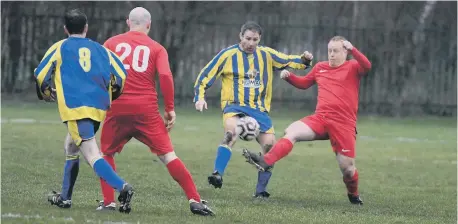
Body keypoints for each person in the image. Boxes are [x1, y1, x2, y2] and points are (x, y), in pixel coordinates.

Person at [96, 7, 214, 216]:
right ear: (149, 25)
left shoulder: (111, 43)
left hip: (118, 107)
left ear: (127, 22)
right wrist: (169, 109)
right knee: (168, 156)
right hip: (146, 110)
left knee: (106, 153)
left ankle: (109, 202)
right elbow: (166, 77)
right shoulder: (157, 48)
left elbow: (99, 72)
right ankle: (194, 200)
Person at [242, 36, 372, 205]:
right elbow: (304, 84)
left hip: (343, 124)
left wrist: (354, 49)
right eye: (329, 51)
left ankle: (353, 194)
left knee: (347, 169)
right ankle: (266, 161)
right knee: (292, 131)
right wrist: (289, 77)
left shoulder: (353, 66)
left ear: (345, 52)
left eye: (336, 51)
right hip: (320, 119)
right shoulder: (320, 68)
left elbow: (367, 66)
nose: (331, 54)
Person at [193, 21, 313, 198]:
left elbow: (289, 60)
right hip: (234, 107)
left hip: (259, 111)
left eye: (255, 39)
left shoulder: (267, 54)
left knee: (270, 147)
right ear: (240, 36)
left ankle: (261, 191)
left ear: (259, 39)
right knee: (231, 133)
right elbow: (205, 75)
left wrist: (305, 60)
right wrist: (199, 97)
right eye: (247, 38)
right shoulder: (227, 55)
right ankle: (217, 174)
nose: (251, 43)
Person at [34, 9, 134, 213]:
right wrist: (112, 94)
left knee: (91, 154)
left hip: (76, 108)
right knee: (71, 146)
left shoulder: (60, 47)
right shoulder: (102, 49)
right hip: (98, 108)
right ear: (86, 28)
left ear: (65, 29)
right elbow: (121, 75)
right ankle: (65, 198)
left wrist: (45, 93)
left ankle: (122, 187)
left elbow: (40, 73)